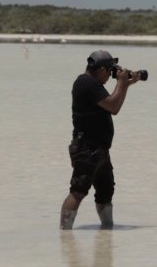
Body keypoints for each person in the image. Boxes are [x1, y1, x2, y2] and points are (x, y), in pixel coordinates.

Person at [59, 50, 141, 230]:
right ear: (101, 69)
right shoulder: (86, 83)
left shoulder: (92, 83)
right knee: (78, 191)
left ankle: (106, 232)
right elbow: (113, 106)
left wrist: (125, 85)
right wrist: (121, 83)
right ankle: (64, 236)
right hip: (87, 148)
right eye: (110, 71)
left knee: (105, 192)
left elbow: (113, 104)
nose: (110, 76)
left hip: (99, 150)